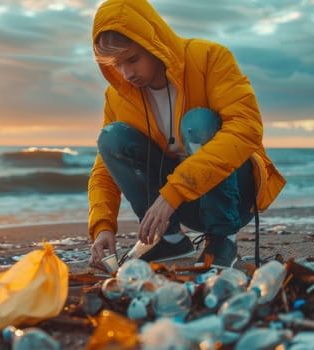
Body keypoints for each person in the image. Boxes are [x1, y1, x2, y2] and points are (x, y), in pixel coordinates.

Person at [87, 0, 286, 270]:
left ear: (153, 41)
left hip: (234, 196)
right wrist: (102, 226)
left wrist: (173, 193)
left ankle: (221, 238)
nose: (126, 73)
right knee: (112, 137)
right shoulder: (119, 96)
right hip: (178, 205)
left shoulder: (208, 58)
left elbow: (246, 128)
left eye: (133, 59)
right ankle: (168, 239)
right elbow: (105, 169)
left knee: (199, 122)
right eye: (117, 64)